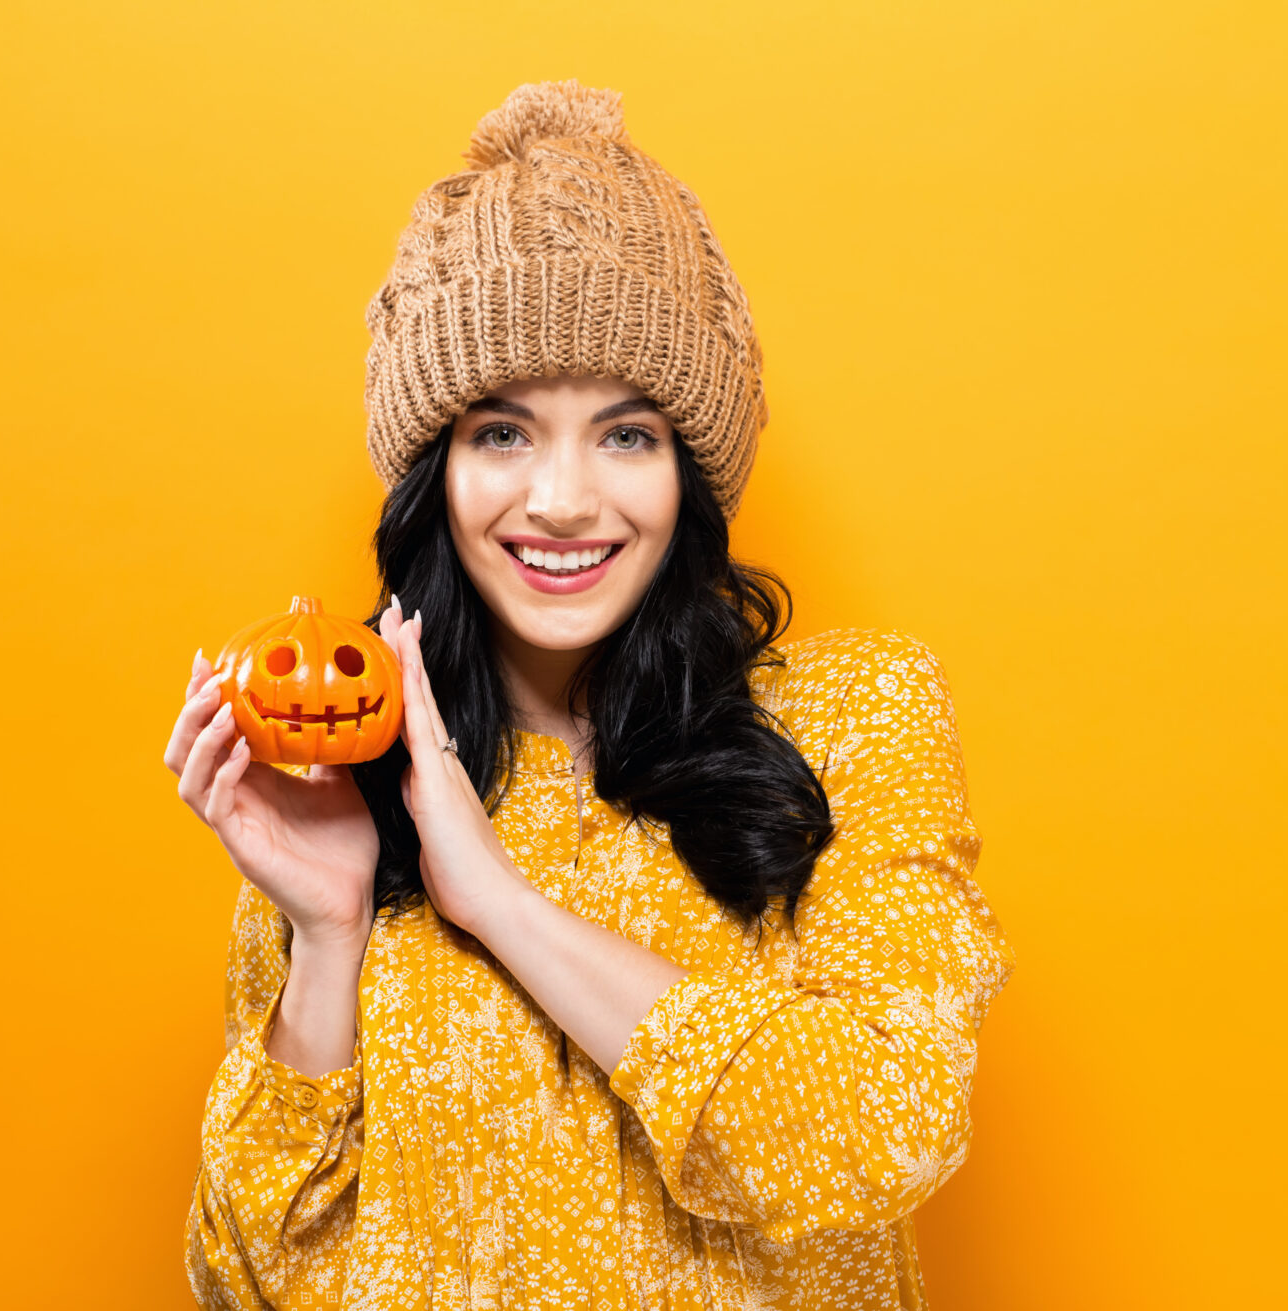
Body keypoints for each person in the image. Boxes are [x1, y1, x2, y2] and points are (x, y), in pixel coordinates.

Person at [166, 81, 1016, 1310]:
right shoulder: (339, 771)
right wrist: (328, 930)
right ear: (432, 476)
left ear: (691, 471)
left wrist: (497, 902)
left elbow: (876, 1134)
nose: (562, 500)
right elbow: (247, 1279)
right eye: (501, 434)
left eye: (626, 436)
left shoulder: (853, 716)